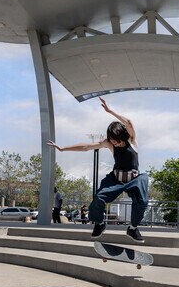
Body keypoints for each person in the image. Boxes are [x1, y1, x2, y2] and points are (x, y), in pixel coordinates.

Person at [47, 98, 148, 242]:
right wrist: (63, 148)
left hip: (134, 180)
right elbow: (86, 147)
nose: (115, 144)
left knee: (142, 202)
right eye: (112, 141)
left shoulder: (131, 140)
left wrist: (110, 111)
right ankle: (100, 224)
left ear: (122, 136)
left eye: (117, 141)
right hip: (116, 179)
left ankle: (132, 229)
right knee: (99, 198)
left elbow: (129, 123)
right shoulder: (109, 143)